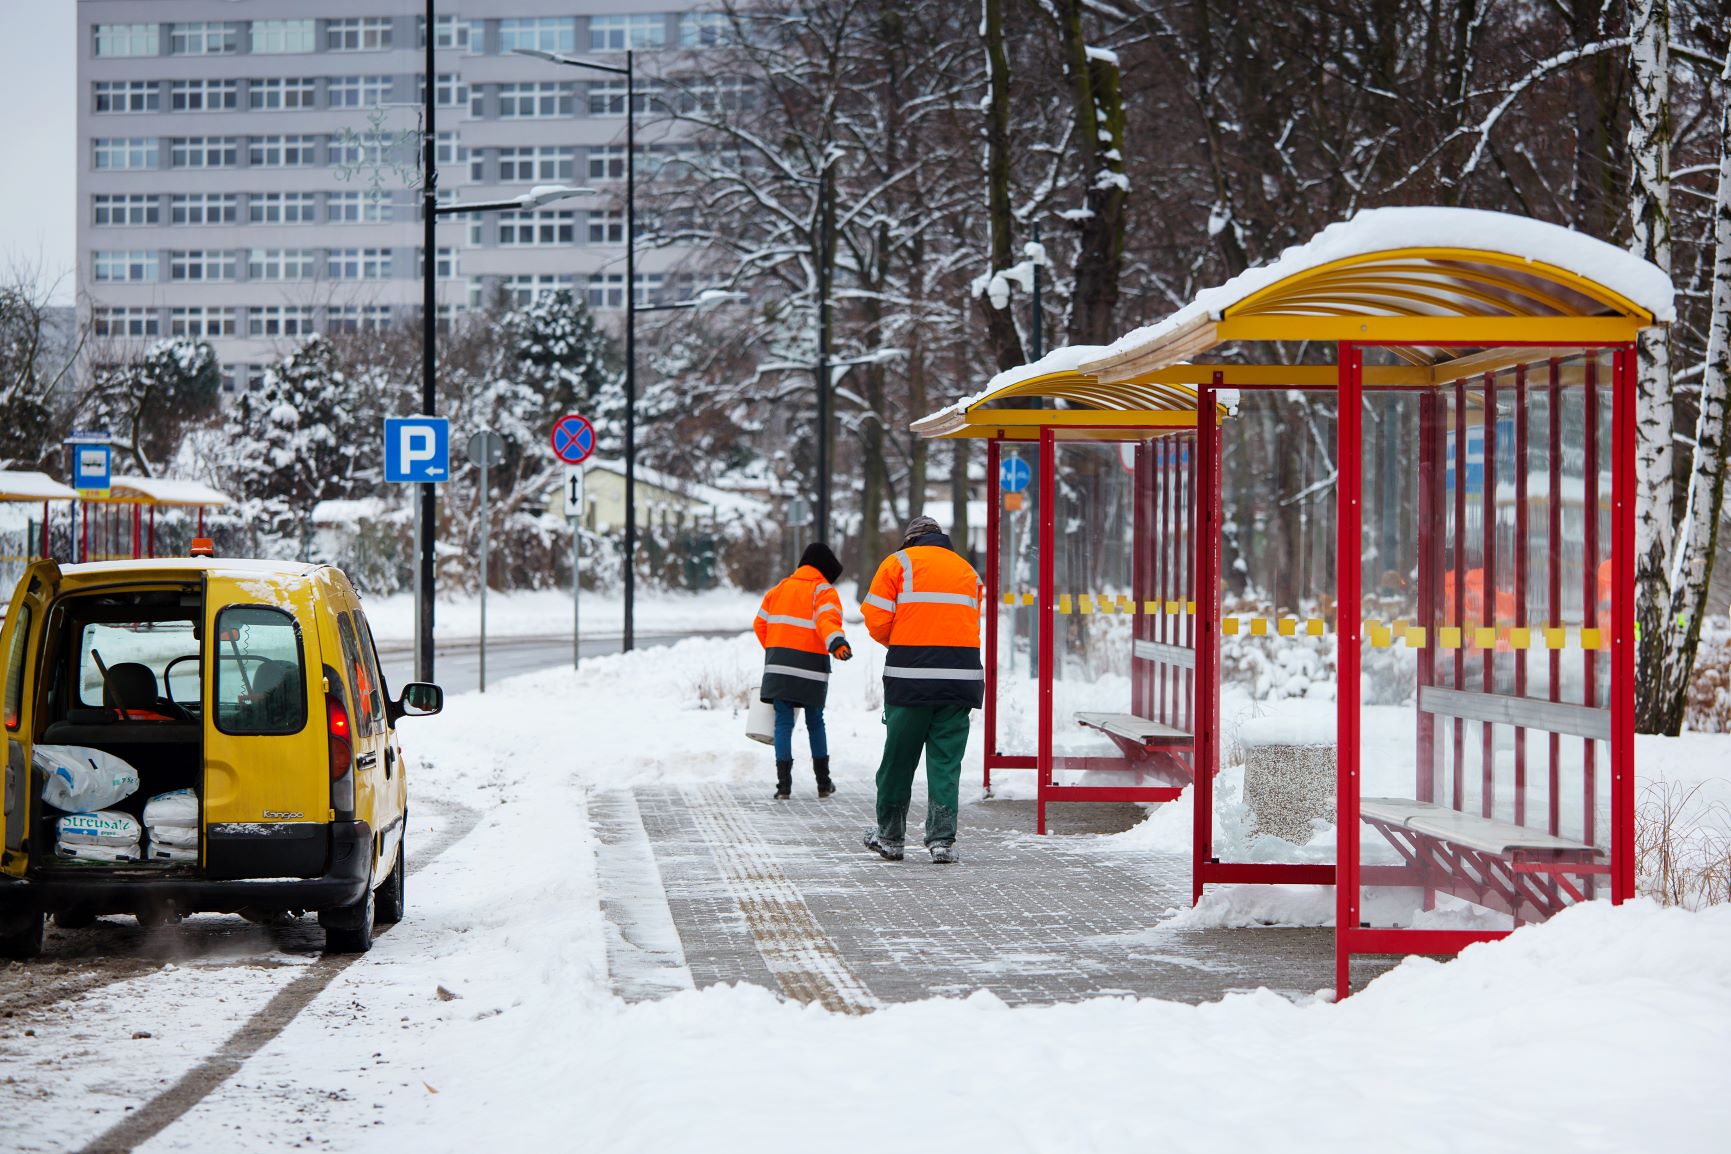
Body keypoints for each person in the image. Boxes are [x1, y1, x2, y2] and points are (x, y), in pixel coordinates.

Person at [859, 515, 982, 864]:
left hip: (910, 677)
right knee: (945, 762)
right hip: (959, 679)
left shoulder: (897, 563)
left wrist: (902, 643)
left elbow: (876, 618)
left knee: (899, 758)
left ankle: (890, 836)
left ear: (910, 540)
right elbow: (969, 621)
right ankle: (942, 840)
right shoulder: (967, 571)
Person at [753, 543, 852, 800]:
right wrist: (836, 643)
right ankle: (823, 782)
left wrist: (776, 649)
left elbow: (759, 623)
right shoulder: (823, 591)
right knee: (815, 722)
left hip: (779, 666)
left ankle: (783, 786)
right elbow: (827, 620)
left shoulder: (779, 589)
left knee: (783, 723)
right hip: (810, 668)